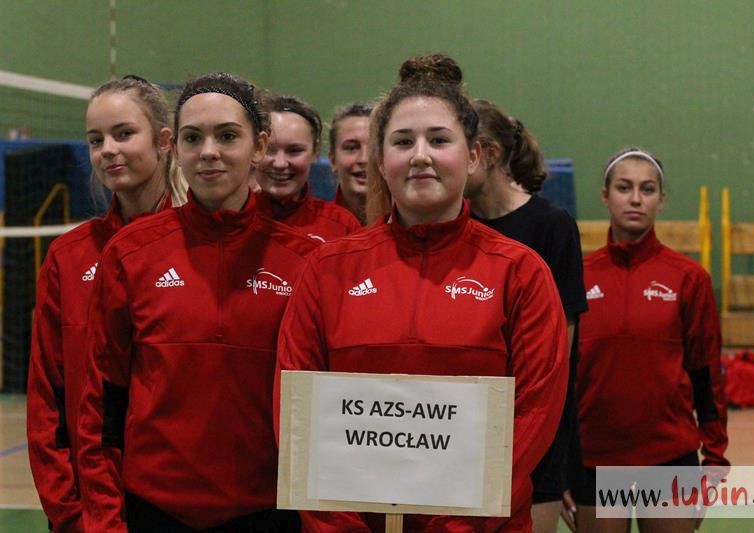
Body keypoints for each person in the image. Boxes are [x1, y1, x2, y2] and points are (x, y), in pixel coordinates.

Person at [277, 53, 568, 532]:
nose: (420, 155)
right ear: (380, 159)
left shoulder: (521, 272)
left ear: (473, 156)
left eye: (439, 140)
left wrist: (455, 524)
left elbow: (535, 411)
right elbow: (297, 412)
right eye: (402, 141)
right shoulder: (327, 270)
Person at [77, 72, 316, 532]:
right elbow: (100, 406)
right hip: (153, 512)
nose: (208, 151)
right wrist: (105, 521)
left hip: (268, 512)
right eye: (193, 137)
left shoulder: (305, 261)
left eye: (227, 136)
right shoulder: (129, 253)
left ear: (259, 146)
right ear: (174, 146)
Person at [26, 75, 185, 533]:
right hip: (91, 509)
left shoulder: (199, 248)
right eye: (96, 140)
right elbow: (47, 396)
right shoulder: (69, 256)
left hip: (175, 506)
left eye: (124, 133)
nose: (108, 150)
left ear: (164, 141)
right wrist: (69, 511)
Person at [574, 147, 729, 533]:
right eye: (624, 187)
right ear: (605, 196)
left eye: (647, 189)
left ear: (662, 199)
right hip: (595, 459)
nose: (636, 199)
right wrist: (558, 465)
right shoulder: (577, 276)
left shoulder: (689, 278)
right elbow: (560, 376)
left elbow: (707, 374)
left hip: (668, 457)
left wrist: (714, 460)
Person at [464, 99, 587, 533]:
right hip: (465, 426)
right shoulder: (457, 225)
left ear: (488, 153)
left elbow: (559, 352)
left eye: (457, 147)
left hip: (534, 431)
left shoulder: (551, 226)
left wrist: (540, 439)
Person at [253, 94, 361, 241]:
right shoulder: (230, 220)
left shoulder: (342, 225)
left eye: (294, 150)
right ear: (256, 149)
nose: (280, 163)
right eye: (269, 150)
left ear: (315, 151)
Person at [328, 102, 372, 225]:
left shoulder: (411, 225)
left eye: (374, 148)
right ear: (333, 160)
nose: (364, 159)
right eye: (352, 148)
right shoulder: (315, 229)